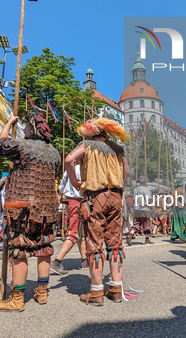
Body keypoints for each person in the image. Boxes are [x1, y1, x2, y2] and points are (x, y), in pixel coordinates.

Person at [0, 111, 61, 312]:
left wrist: (10, 121)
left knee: (19, 249)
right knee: (44, 248)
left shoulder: (23, 145)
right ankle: (42, 292)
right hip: (47, 209)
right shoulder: (55, 152)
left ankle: (17, 299)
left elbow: (2, 142)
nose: (24, 129)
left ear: (35, 129)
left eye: (27, 126)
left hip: (22, 211)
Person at [64, 118, 129, 306]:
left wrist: (75, 181)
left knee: (94, 241)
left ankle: (96, 292)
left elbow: (69, 160)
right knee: (115, 243)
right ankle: (116, 289)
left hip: (96, 197)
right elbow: (127, 172)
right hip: (116, 197)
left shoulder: (87, 145)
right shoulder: (118, 148)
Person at [50, 164, 88, 275]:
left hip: (70, 201)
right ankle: (57, 262)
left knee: (81, 233)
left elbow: (61, 188)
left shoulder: (70, 168)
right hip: (78, 201)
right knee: (74, 234)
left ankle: (85, 260)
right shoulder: (85, 168)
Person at [127, 176, 154, 246]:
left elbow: (133, 200)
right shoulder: (145, 189)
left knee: (136, 222)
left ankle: (130, 234)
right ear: (145, 182)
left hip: (136, 208)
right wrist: (151, 205)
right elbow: (148, 199)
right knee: (146, 223)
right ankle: (147, 239)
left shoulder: (135, 189)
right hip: (144, 208)